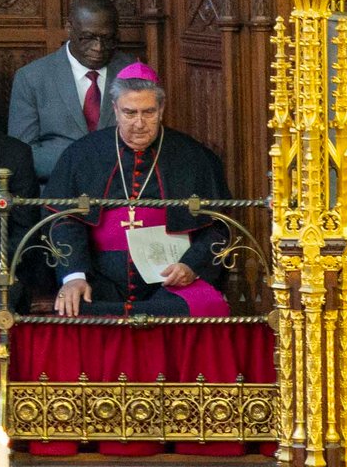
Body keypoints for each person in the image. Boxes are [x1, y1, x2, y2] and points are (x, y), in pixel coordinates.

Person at [48, 67, 231, 316]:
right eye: (129, 113)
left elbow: (219, 226)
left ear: (162, 109)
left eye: (149, 112)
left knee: (194, 308)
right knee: (78, 307)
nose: (139, 124)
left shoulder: (194, 156)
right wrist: (75, 276)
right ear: (114, 109)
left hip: (172, 281)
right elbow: (64, 220)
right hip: (98, 277)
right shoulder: (82, 154)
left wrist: (191, 265)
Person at [8, 0, 131, 179]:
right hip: (57, 192)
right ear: (69, 28)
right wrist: (82, 162)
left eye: (107, 39)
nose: (98, 47)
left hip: (120, 190)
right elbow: (20, 154)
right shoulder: (32, 78)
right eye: (88, 38)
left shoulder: (131, 74)